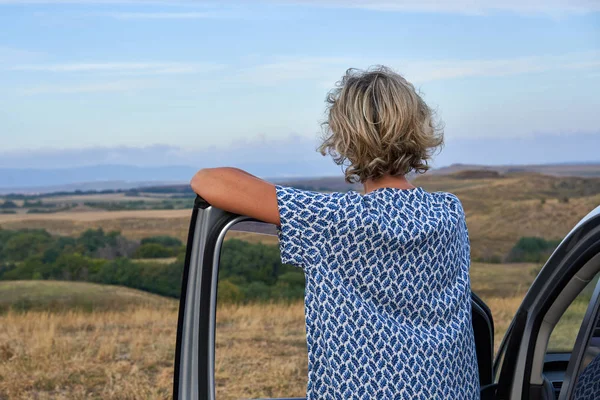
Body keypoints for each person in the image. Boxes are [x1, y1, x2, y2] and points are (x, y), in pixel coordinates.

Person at [191, 66, 480, 399]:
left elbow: (208, 180)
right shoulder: (450, 212)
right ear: (420, 128)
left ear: (344, 137)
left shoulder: (332, 220)